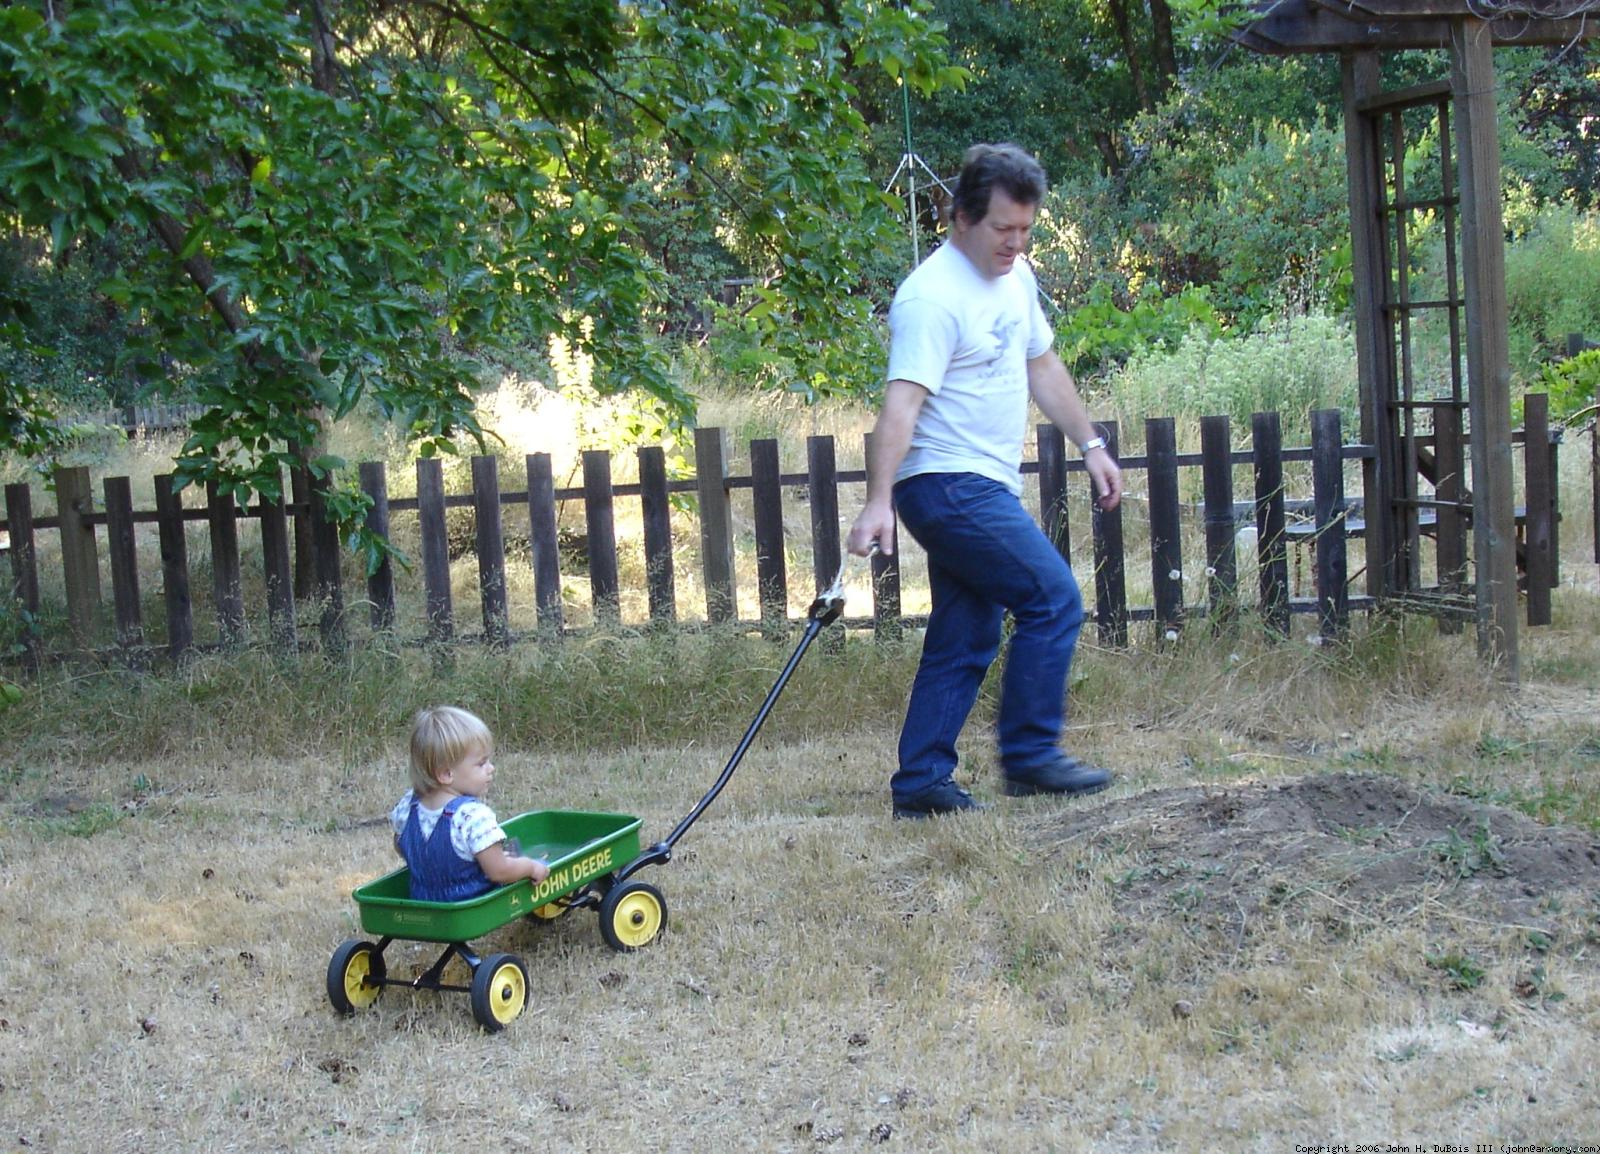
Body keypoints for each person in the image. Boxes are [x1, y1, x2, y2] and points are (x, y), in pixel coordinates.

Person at [846, 142, 1124, 820]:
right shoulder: (932, 299)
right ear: (960, 216)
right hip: (944, 484)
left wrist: (1090, 443)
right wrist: (879, 499)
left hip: (980, 485)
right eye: (1004, 229)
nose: (1015, 242)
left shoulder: (1016, 278)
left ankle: (921, 784)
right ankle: (1029, 756)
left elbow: (1043, 367)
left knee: (965, 634)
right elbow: (900, 406)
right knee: (1052, 598)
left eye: (1026, 229)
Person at [389, 705, 550, 901]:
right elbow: (499, 872)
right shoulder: (472, 816)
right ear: (446, 774)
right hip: (468, 901)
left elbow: (400, 845)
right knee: (508, 861)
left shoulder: (408, 805)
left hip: (422, 899)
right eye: (481, 763)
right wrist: (531, 866)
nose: (491, 769)